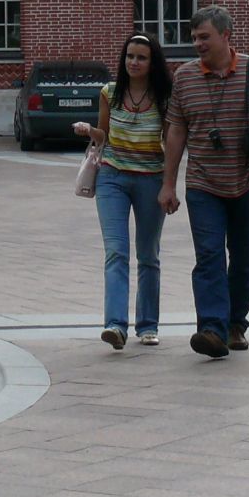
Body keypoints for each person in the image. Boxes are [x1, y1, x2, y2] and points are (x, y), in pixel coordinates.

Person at [159, 5, 249, 359]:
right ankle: (211, 329)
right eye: (194, 37)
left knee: (243, 257)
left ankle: (235, 325)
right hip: (202, 183)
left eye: (204, 37)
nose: (197, 43)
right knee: (209, 254)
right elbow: (176, 131)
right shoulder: (184, 77)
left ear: (226, 35)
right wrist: (168, 183)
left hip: (245, 182)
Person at [76, 34, 173, 349]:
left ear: (152, 62)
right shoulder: (110, 92)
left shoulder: (164, 96)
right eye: (130, 56)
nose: (134, 62)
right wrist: (91, 131)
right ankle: (115, 325)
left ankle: (147, 325)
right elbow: (104, 134)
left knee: (148, 254)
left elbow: (172, 143)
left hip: (151, 179)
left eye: (141, 57)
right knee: (116, 252)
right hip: (112, 178)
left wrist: (170, 184)